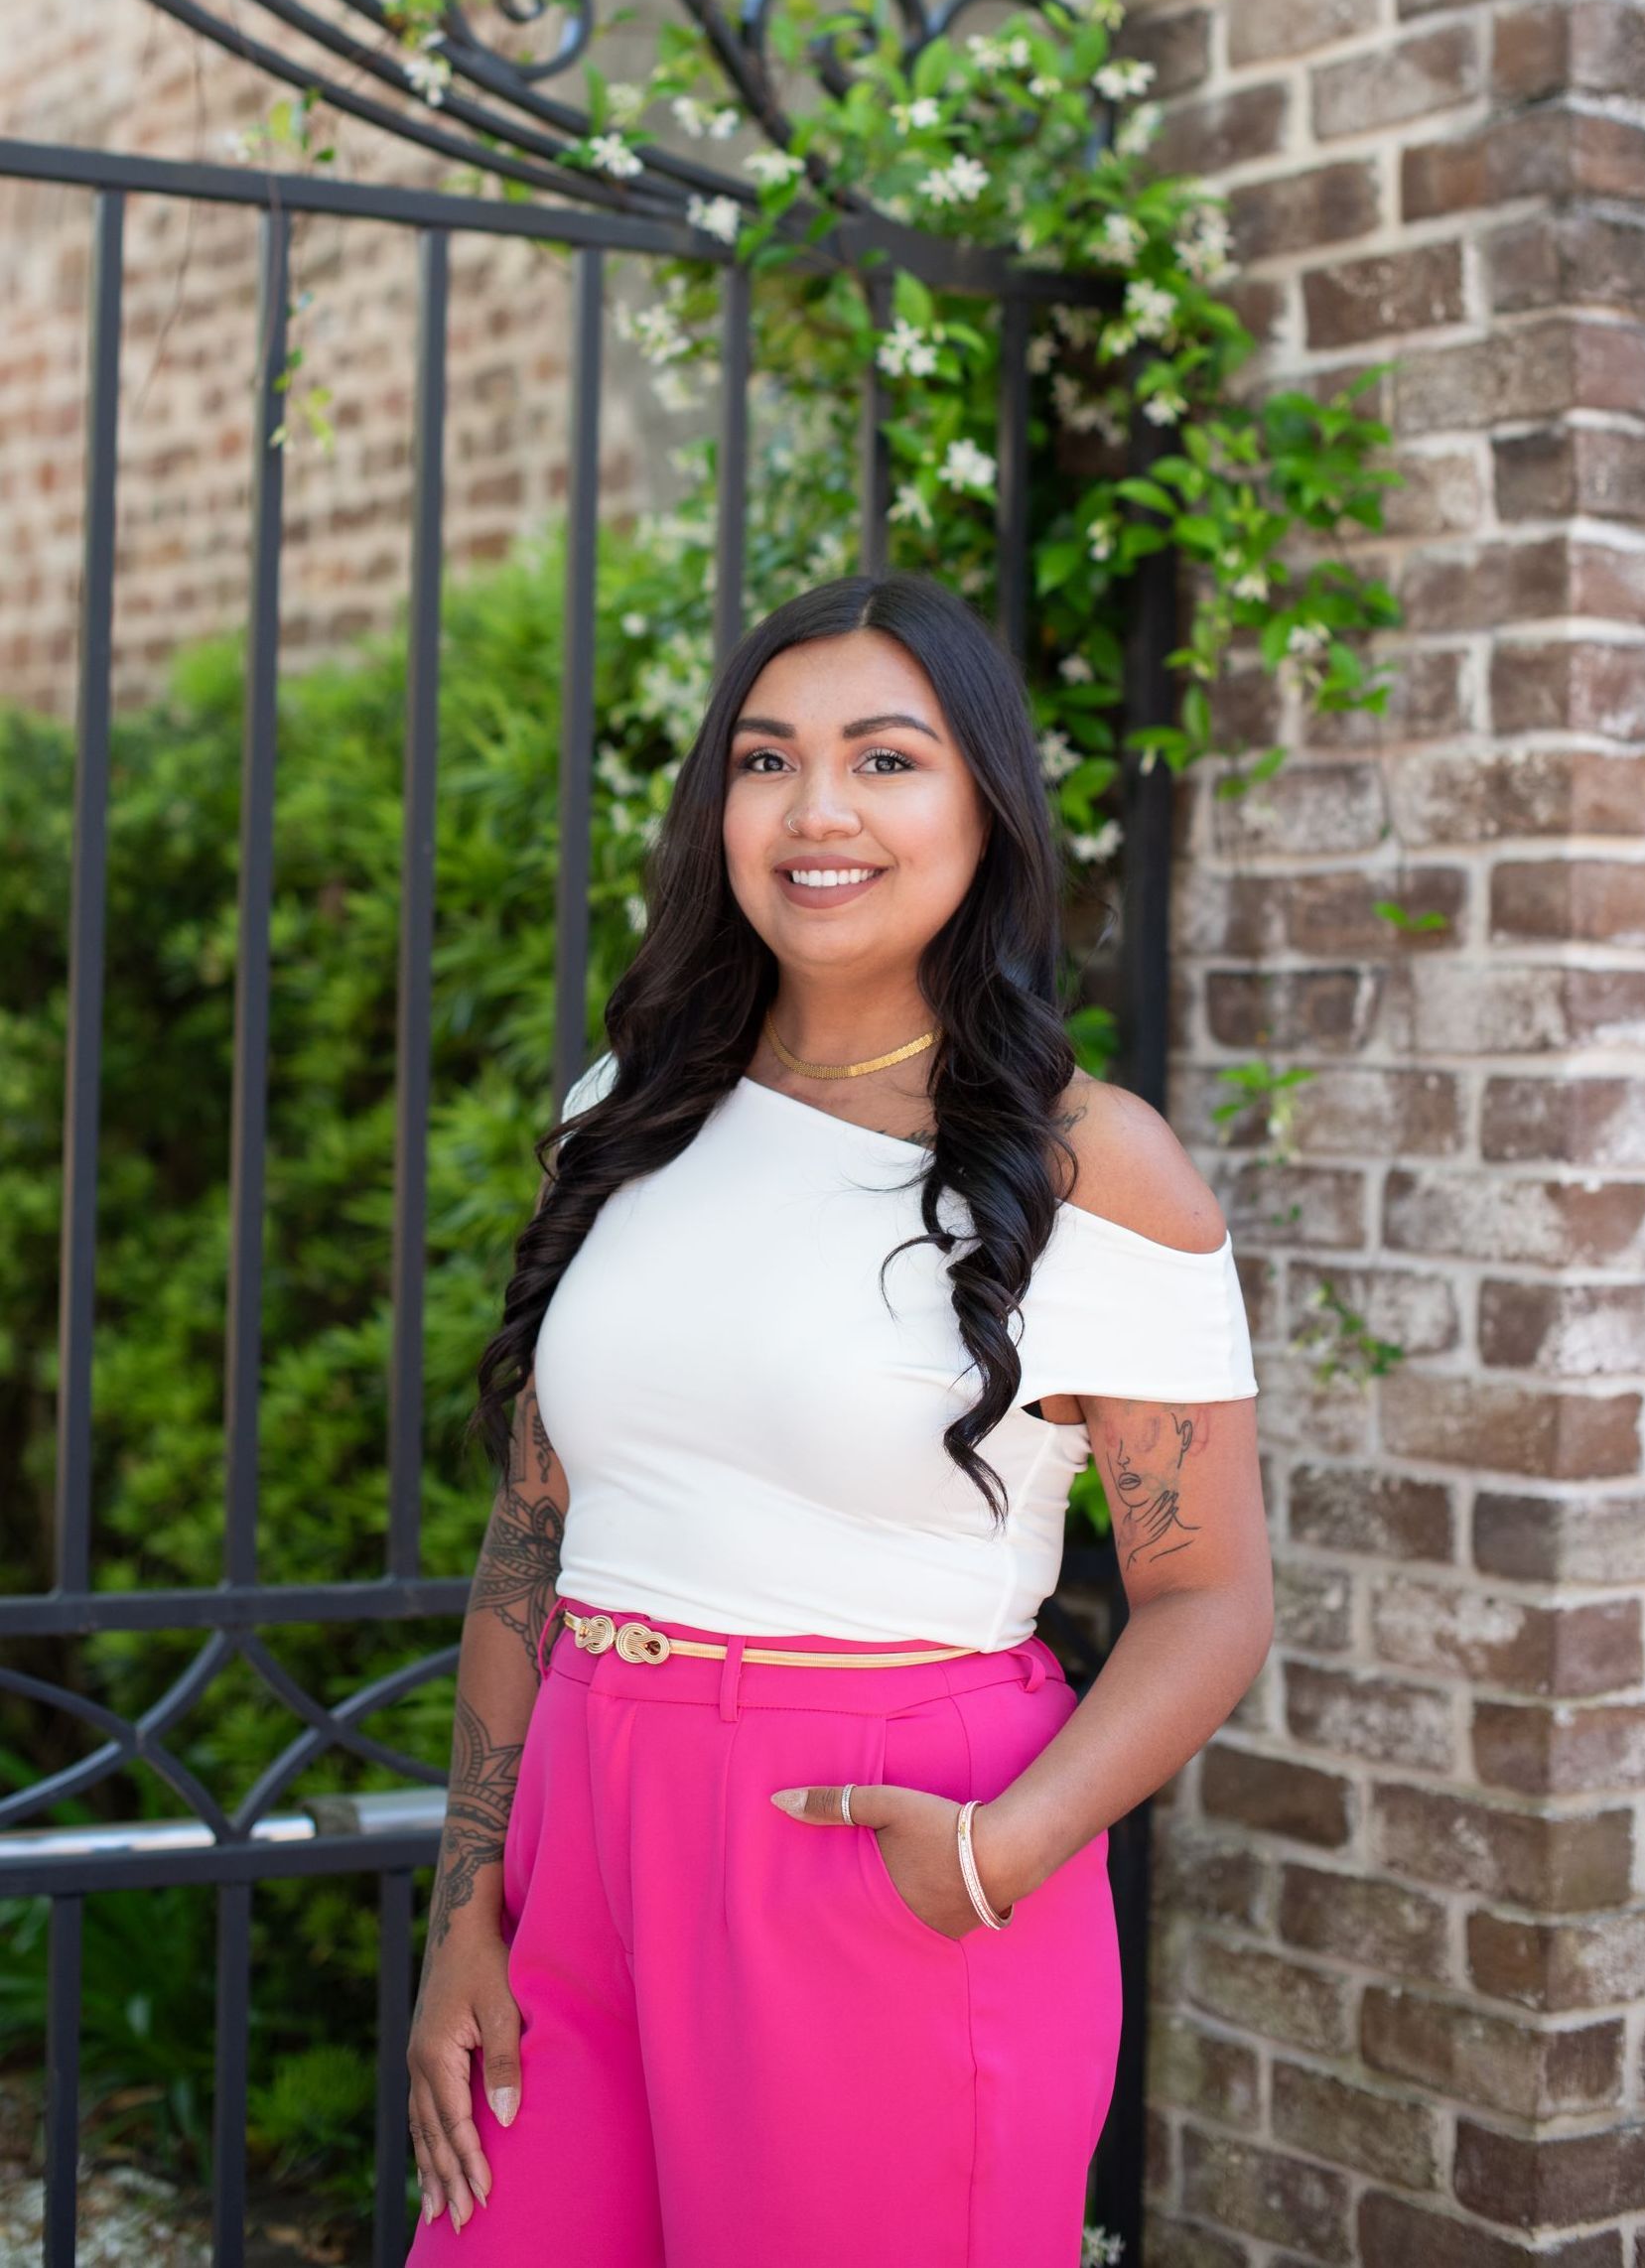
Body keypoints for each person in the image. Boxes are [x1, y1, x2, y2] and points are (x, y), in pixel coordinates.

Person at [403, 571, 1270, 2267]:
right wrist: (464, 1915)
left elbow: (1208, 1597)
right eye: (764, 759)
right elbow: (534, 1532)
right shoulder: (624, 1107)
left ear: (982, 805)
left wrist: (997, 1850)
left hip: (882, 1843)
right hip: (585, 1828)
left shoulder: (1099, 1169)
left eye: (885, 761)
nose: (815, 812)